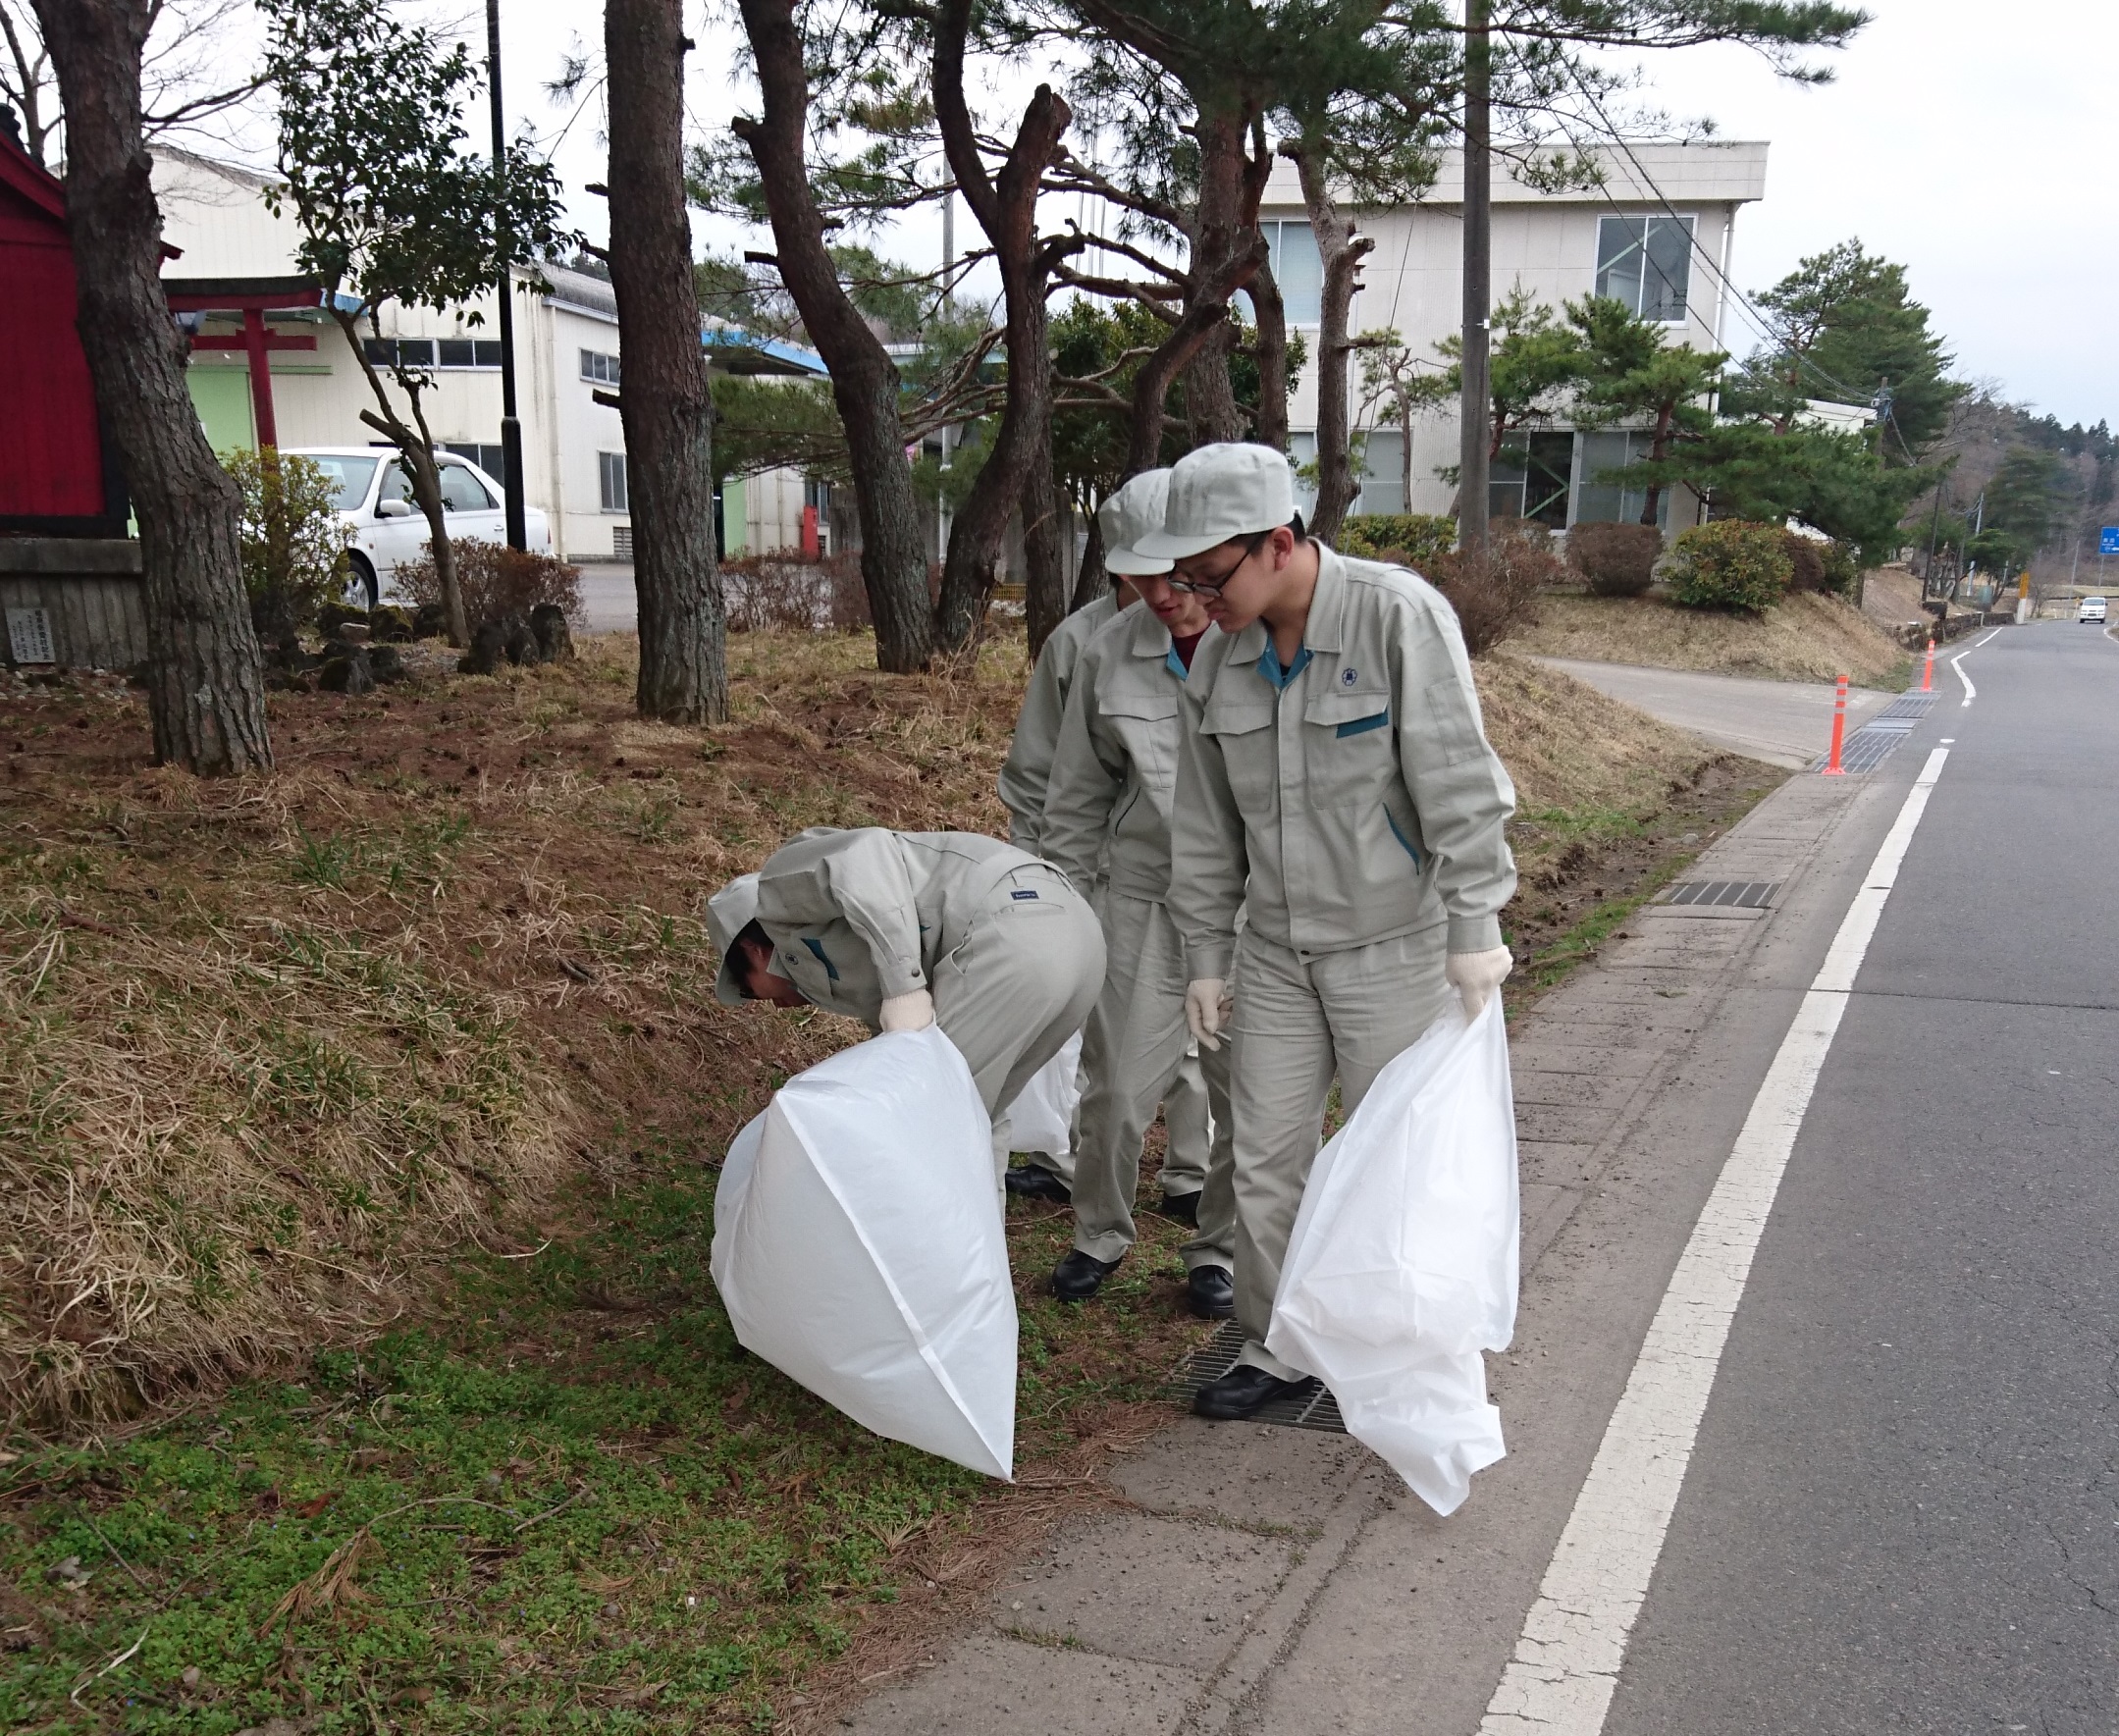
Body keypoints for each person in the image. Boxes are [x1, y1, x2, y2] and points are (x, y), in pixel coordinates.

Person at [1149, 443, 1518, 1422]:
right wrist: (1202, 957)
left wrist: (1474, 922)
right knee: (1265, 1157)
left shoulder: (1394, 615)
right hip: (1272, 951)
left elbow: (1455, 778)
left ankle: (1400, 1345)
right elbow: (1201, 827)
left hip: (1393, 943)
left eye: (1205, 573)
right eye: (1177, 576)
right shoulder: (1218, 660)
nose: (1191, 596)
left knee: (1394, 1159)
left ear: (1278, 541)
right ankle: (1282, 1343)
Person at [1038, 471, 1238, 1320]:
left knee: (1248, 1095)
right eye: (1139, 575)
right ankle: (1098, 1232)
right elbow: (1075, 797)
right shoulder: (1106, 651)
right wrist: (1060, 909)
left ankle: (1219, 1250)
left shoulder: (1266, 639)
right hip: (1142, 892)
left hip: (1250, 908)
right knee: (1116, 1083)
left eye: (1179, 574)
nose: (1160, 595)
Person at [708, 828, 1106, 1169]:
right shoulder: (835, 964)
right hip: (1079, 937)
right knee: (975, 1119)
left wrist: (904, 988)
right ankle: (979, 1257)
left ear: (753, 951)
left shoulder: (777, 891)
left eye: (748, 991)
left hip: (1015, 925)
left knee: (926, 1124)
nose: (769, 1005)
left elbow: (867, 853)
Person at [991, 566, 1128, 1205]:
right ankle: (1059, 1154)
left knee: (1175, 1016)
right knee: (1067, 1007)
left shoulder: (1209, 629)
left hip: (1162, 866)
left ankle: (1191, 1168)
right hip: (1075, 860)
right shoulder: (1075, 642)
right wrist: (1032, 863)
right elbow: (1037, 769)